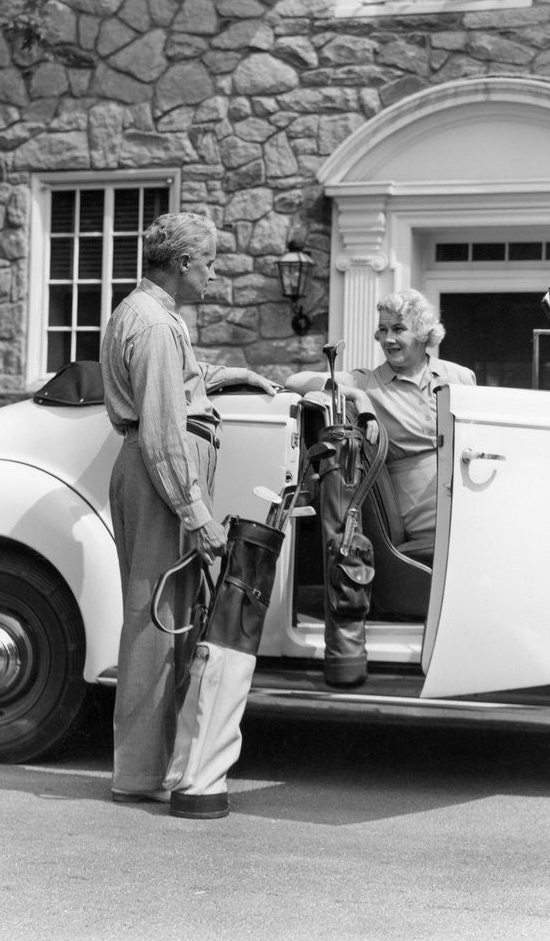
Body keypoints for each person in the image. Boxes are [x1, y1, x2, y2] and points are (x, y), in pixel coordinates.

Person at [100, 211, 279, 804]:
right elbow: (162, 430)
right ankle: (140, 775)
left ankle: (157, 767)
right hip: (162, 477)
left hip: (161, 474)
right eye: (206, 263)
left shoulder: (152, 316)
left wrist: (236, 376)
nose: (212, 274)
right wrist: (197, 515)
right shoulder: (153, 324)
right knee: (154, 622)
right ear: (180, 264)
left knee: (169, 618)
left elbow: (180, 386)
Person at [287, 289, 475, 555]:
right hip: (422, 510)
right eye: (383, 330)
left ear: (422, 332)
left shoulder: (459, 377)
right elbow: (294, 381)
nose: (388, 339)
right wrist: (358, 395)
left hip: (465, 489)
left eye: (398, 329)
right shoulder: (369, 382)